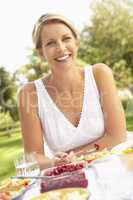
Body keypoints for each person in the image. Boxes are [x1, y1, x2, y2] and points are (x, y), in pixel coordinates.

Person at [18, 13, 126, 169]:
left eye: (66, 39)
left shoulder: (99, 74)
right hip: (72, 177)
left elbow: (117, 136)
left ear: (77, 42)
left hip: (118, 163)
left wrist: (75, 157)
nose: (61, 48)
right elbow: (32, 157)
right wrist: (54, 162)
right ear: (41, 52)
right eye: (50, 43)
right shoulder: (29, 94)